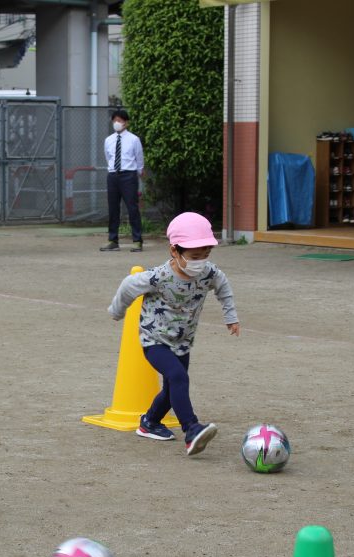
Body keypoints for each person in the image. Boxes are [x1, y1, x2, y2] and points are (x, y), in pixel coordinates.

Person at [107, 212, 240, 456]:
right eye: (195, 257)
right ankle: (191, 429)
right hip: (155, 340)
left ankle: (149, 422)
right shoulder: (158, 277)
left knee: (172, 388)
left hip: (182, 341)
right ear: (174, 251)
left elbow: (223, 287)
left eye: (206, 255)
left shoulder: (209, 273)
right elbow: (128, 285)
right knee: (179, 377)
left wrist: (230, 316)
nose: (201, 262)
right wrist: (117, 310)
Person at [100, 109, 145, 253]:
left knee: (132, 208)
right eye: (114, 120)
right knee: (113, 208)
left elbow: (139, 158)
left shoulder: (134, 139)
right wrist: (113, 170)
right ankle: (113, 240)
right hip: (113, 175)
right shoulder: (108, 140)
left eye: (119, 120)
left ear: (126, 123)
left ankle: (137, 241)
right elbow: (108, 158)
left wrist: (138, 173)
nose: (116, 123)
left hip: (129, 176)